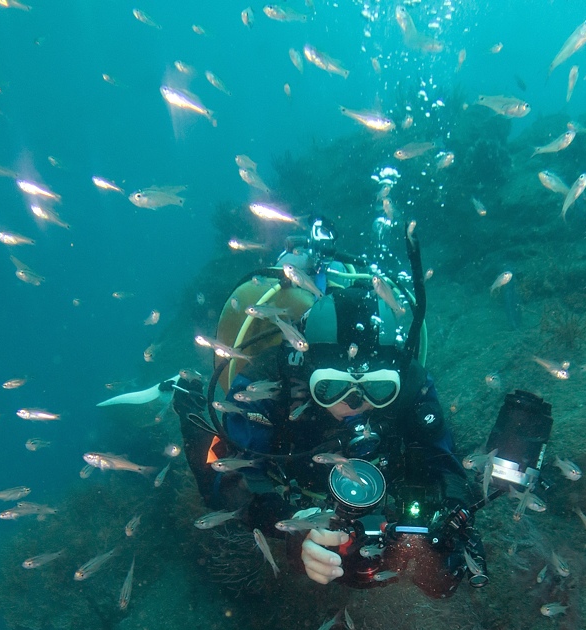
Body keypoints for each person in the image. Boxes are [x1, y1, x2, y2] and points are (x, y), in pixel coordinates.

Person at [174, 221, 552, 598]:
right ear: (307, 376)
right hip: (278, 445)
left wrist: (451, 517)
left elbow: (443, 460)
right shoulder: (268, 383)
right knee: (207, 446)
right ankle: (182, 396)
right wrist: (289, 528)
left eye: (377, 389)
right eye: (333, 387)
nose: (355, 403)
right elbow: (227, 482)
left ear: (395, 378)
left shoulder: (411, 384)